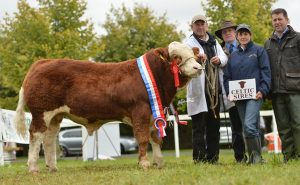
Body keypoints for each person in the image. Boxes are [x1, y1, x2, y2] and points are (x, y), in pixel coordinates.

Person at [223, 24, 271, 164]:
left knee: (249, 126)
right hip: (239, 98)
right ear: (237, 37)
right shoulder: (233, 56)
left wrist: (262, 90)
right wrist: (229, 93)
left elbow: (266, 72)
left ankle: (256, 158)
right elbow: (227, 78)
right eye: (240, 34)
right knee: (248, 127)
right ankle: (255, 158)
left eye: (246, 34)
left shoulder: (259, 51)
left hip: (255, 96)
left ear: (250, 35)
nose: (243, 36)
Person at [185, 14, 227, 164]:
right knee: (198, 127)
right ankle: (199, 158)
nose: (200, 27)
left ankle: (213, 158)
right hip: (198, 92)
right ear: (192, 27)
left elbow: (224, 58)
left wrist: (219, 59)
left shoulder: (214, 42)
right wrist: (197, 60)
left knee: (213, 126)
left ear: (206, 26)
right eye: (197, 24)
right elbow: (185, 65)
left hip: (214, 91)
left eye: (202, 24)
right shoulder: (188, 44)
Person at [264, 8, 300, 162]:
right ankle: (289, 157)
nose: (277, 22)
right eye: (274, 20)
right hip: (276, 91)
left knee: (298, 124)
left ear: (287, 20)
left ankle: (299, 155)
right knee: (283, 127)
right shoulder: (268, 43)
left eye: (280, 19)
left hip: (295, 89)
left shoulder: (297, 38)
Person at [215, 20, 247, 163]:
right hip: (229, 93)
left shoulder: (247, 47)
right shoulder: (218, 51)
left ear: (235, 32)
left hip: (248, 90)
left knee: (250, 125)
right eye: (224, 32)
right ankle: (240, 157)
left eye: (230, 30)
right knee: (236, 128)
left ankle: (255, 155)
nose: (227, 33)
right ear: (222, 35)